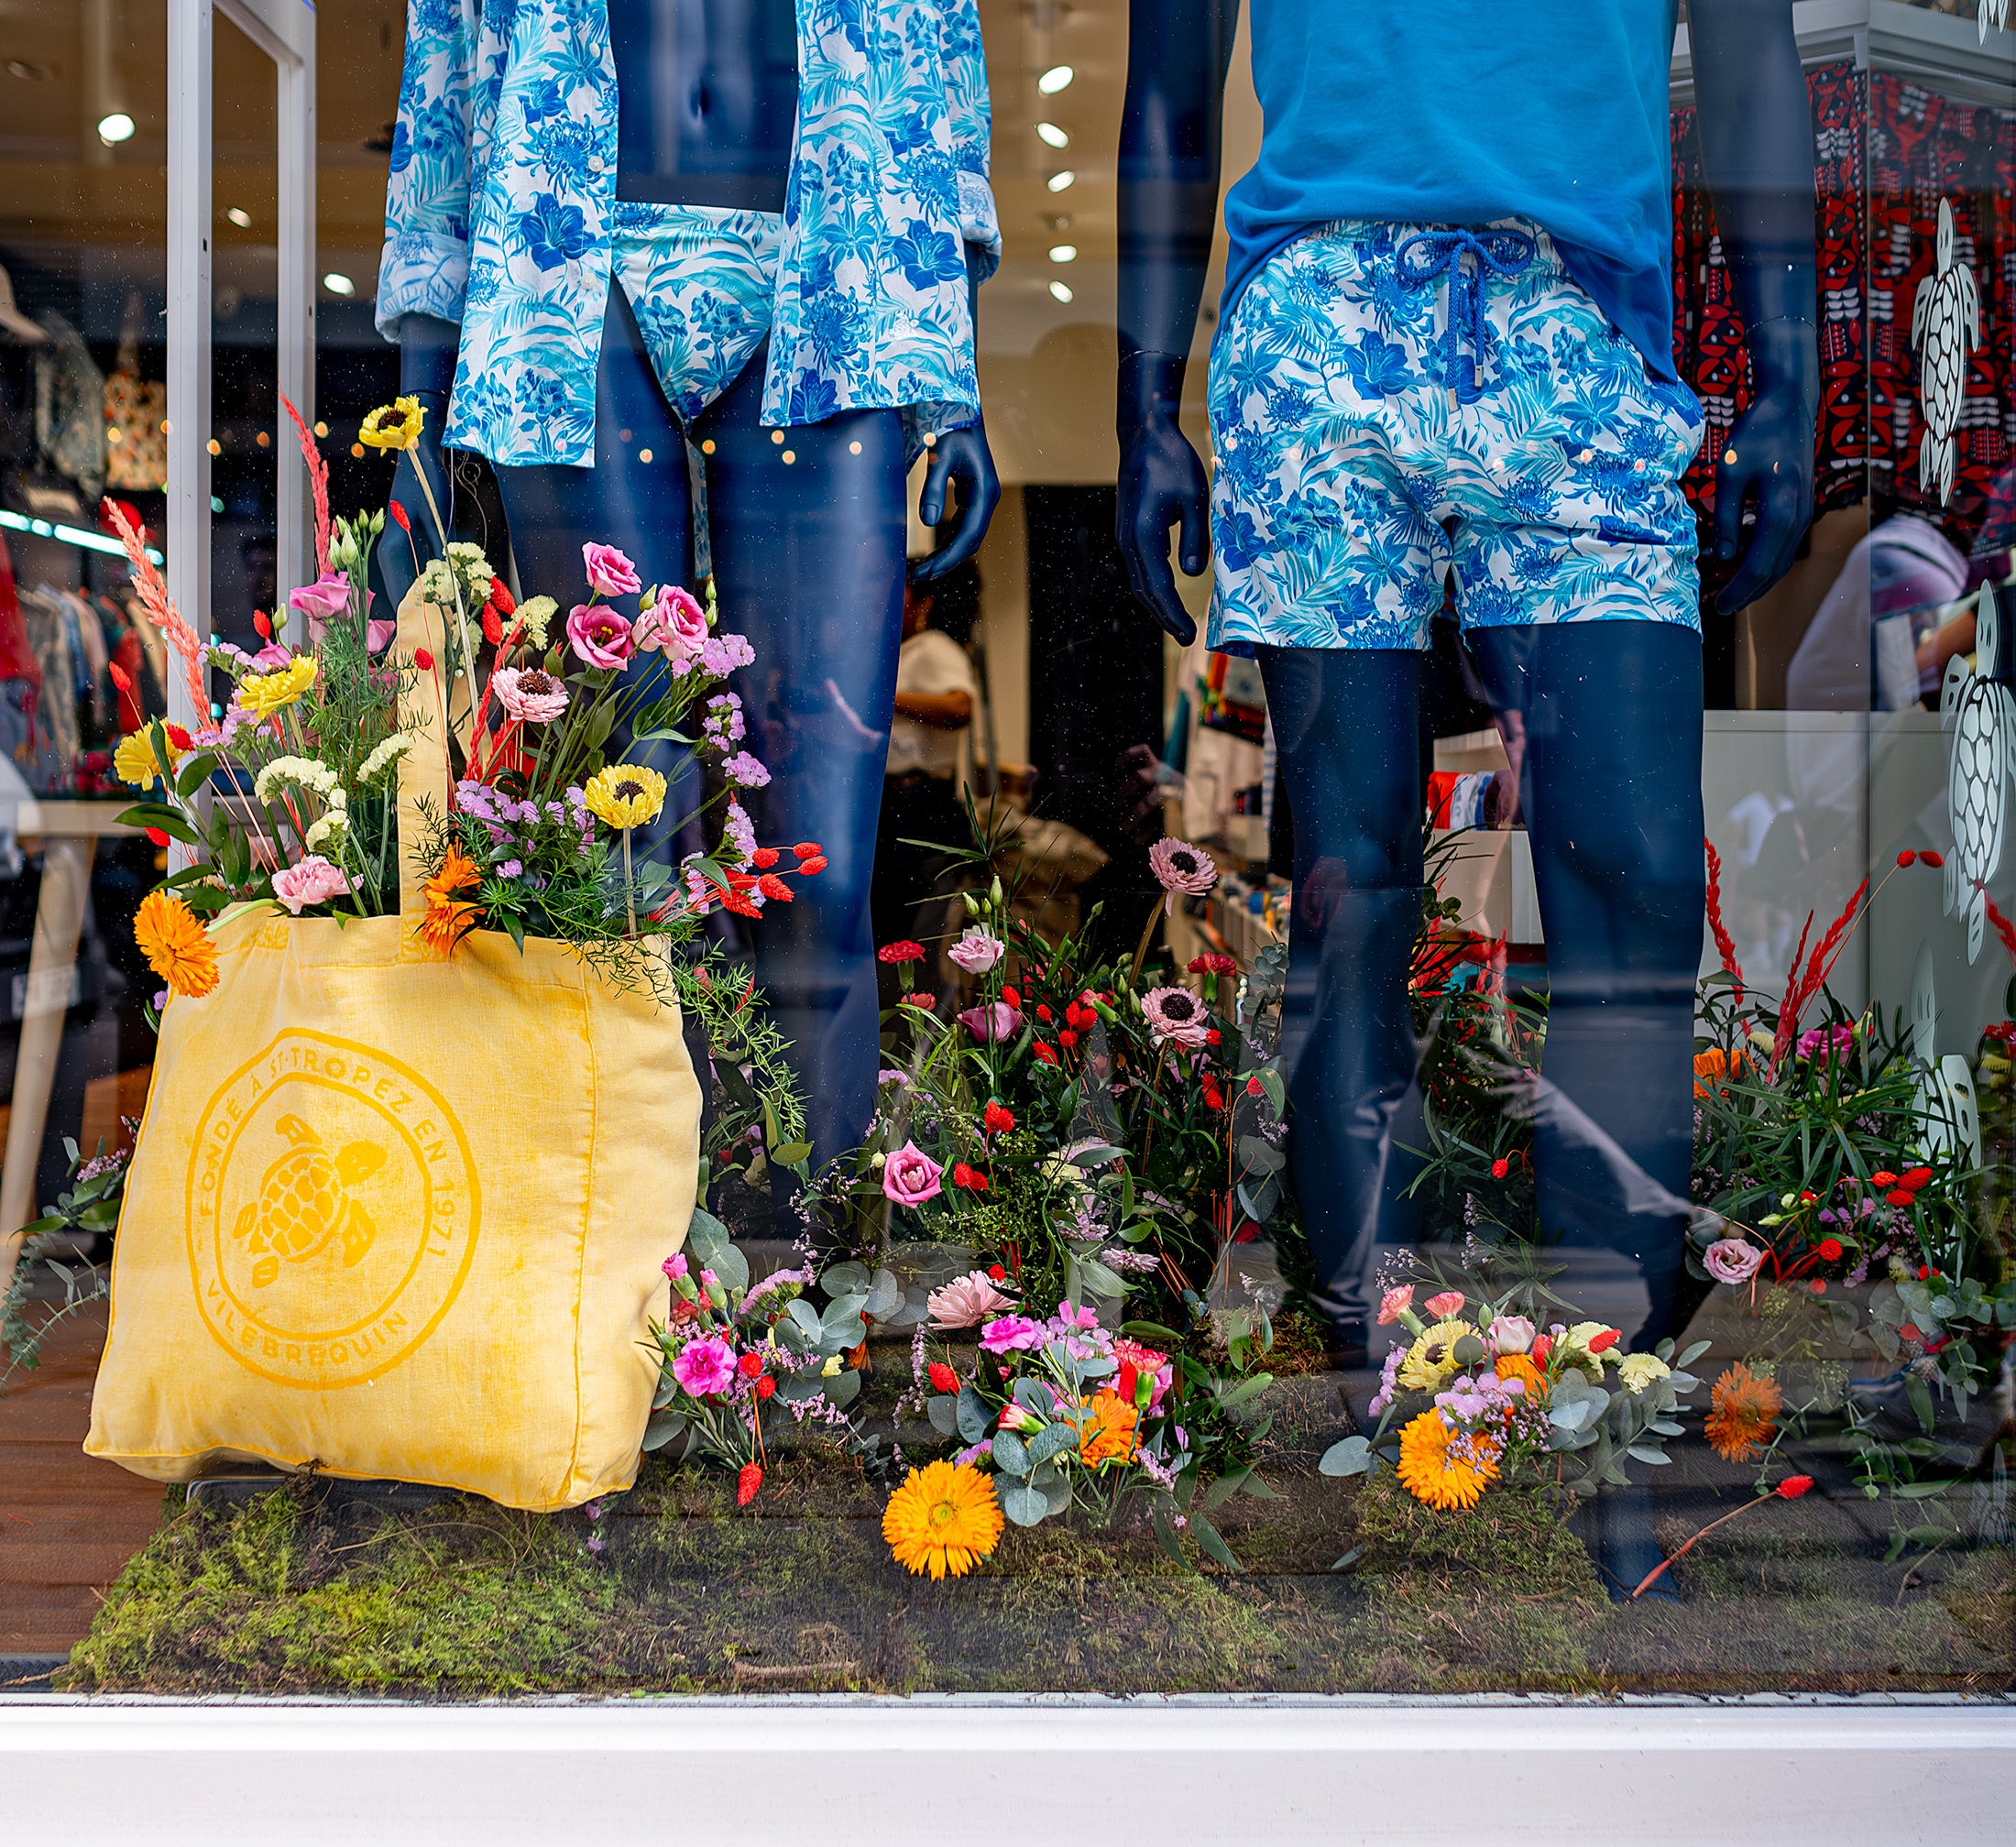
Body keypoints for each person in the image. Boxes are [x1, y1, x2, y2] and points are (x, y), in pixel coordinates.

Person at [1115, 0, 1820, 1372]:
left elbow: (1748, 52)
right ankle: (1391, 1412)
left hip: (1581, 325)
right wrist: (1144, 400)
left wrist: (1789, 374)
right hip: (1318, 319)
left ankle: (1603, 1433)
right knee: (1351, 890)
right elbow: (1170, 80)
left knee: (1637, 877)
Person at [372, 0, 1002, 1173]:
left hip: (843, 252)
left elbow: (939, 50)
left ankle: (815, 1294)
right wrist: (422, 408)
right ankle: (621, 1299)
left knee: (821, 866)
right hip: (568, 257)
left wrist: (954, 365)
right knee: (619, 853)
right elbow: (450, 56)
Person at [872, 574, 980, 968]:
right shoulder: (902, 651)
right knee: (893, 922)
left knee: (915, 929)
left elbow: (959, 707)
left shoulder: (933, 648)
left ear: (924, 602)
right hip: (896, 801)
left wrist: (886, 700)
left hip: (920, 802)